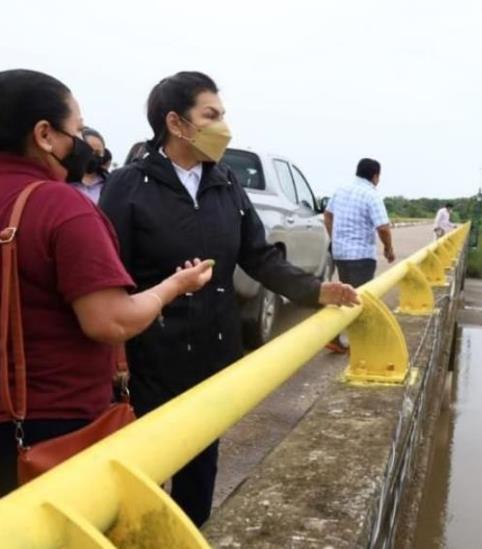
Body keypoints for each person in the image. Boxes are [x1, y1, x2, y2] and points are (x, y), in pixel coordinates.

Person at [99, 71, 359, 526]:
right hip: (150, 356)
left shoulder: (226, 184)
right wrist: (117, 354)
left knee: (201, 471)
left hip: (213, 353)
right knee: (142, 475)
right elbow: (111, 274)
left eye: (224, 114)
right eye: (212, 115)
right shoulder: (128, 185)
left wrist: (316, 291)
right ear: (177, 123)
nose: (225, 126)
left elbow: (259, 257)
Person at [0, 69, 214, 496]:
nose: (82, 145)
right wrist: (175, 285)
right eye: (75, 130)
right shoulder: (60, 206)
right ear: (44, 134)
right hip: (50, 426)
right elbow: (110, 321)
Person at [323, 158, 394, 353]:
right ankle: (361, 346)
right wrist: (388, 248)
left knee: (345, 295)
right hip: (361, 256)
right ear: (375, 175)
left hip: (340, 254)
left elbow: (327, 216)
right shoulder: (371, 194)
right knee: (359, 300)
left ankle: (334, 337)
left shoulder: (341, 189)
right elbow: (383, 228)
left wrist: (335, 237)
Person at [69, 126, 108, 204]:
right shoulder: (63, 178)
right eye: (89, 150)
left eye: (98, 153)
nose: (93, 156)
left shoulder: (108, 184)